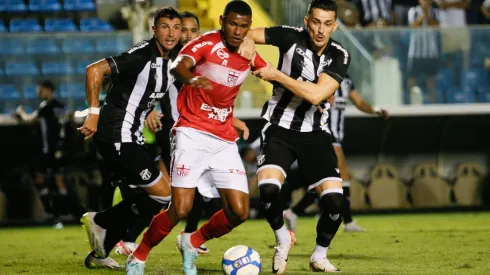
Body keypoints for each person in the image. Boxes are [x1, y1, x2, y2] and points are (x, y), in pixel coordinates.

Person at [126, 2, 266, 274]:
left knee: (239, 212)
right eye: (233, 24)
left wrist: (312, 93)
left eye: (243, 26)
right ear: (222, 20)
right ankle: (139, 256)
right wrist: (191, 80)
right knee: (180, 208)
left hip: (223, 140)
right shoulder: (204, 43)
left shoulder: (248, 52)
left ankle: (192, 241)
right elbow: (179, 66)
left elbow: (270, 74)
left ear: (249, 27)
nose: (237, 31)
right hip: (191, 132)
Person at [239, 0, 351, 272]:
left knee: (335, 200)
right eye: (316, 22)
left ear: (335, 25)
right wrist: (250, 43)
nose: (321, 30)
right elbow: (247, 33)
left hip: (315, 132)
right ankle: (282, 238)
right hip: (278, 126)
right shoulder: (289, 36)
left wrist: (275, 74)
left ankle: (319, 255)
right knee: (268, 190)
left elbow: (315, 94)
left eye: (327, 24)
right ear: (306, 21)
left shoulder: (340, 55)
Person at [77, 6, 182, 269]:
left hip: (131, 138)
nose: (171, 33)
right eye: (165, 27)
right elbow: (94, 70)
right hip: (116, 135)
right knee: (164, 195)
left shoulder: (174, 60)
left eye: (176, 28)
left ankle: (100, 252)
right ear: (154, 30)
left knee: (151, 200)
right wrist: (92, 114)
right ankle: (100, 221)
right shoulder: (142, 54)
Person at [119, 10, 211, 256]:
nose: (188, 35)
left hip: (196, 129)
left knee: (191, 189)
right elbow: (143, 84)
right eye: (184, 30)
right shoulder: (172, 59)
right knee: (177, 192)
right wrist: (149, 110)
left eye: (193, 30)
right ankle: (131, 237)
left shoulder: (202, 60)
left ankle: (185, 235)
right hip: (174, 130)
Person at [282, 74, 389, 234]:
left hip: (336, 136)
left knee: (324, 183)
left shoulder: (346, 81)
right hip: (322, 133)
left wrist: (374, 110)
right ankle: (348, 221)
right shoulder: (319, 76)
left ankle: (293, 212)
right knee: (342, 175)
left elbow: (359, 102)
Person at [15, 80, 68, 229]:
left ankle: (52, 214)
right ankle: (65, 214)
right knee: (59, 181)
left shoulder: (45, 107)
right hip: (61, 149)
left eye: (41, 90)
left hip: (48, 150)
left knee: (41, 179)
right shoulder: (60, 106)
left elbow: (30, 119)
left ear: (48, 90)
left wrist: (20, 113)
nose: (39, 93)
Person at [407, 0, 440, 103]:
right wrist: (423, 15)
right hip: (415, 52)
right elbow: (413, 26)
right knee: (412, 79)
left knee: (431, 81)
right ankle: (411, 103)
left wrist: (427, 14)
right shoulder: (413, 11)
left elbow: (436, 25)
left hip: (430, 52)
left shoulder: (435, 12)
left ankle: (432, 103)